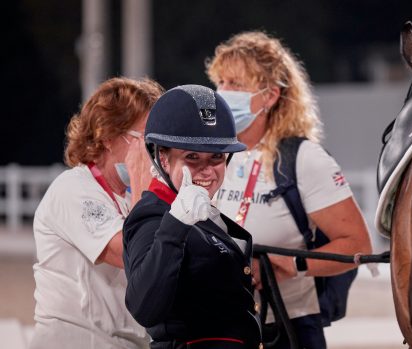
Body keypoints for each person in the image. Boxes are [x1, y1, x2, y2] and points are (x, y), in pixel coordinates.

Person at [206, 31, 372, 348]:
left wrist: (286, 266)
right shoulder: (210, 155)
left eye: (236, 85)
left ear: (270, 96)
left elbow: (357, 245)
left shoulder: (304, 159)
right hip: (217, 324)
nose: (223, 93)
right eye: (222, 82)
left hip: (287, 326)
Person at [122, 84, 262, 349]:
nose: (207, 170)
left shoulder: (201, 212)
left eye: (217, 157)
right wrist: (175, 224)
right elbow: (144, 306)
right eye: (192, 157)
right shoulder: (154, 216)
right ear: (163, 158)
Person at [30, 77, 163, 349]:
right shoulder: (74, 189)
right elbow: (133, 256)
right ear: (108, 136)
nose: (155, 152)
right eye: (146, 139)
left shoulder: (127, 197)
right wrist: (142, 187)